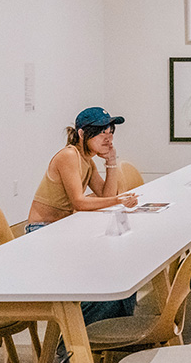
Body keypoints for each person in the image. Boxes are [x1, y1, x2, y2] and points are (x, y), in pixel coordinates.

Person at [27, 107, 140, 324]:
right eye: (101, 132)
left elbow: (104, 195)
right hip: (42, 233)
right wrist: (119, 200)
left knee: (124, 272)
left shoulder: (87, 160)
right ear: (81, 134)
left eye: (110, 131)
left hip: (63, 229)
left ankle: (110, 334)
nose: (108, 138)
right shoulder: (69, 155)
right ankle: (73, 343)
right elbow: (80, 201)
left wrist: (111, 162)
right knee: (110, 275)